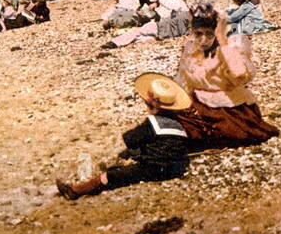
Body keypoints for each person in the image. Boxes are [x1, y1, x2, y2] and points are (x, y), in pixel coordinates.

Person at [57, 74, 194, 199]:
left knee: (111, 176)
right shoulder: (177, 123)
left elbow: (130, 139)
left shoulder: (152, 123)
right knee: (134, 154)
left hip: (156, 169)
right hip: (176, 166)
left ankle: (76, 191)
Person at [172, 1, 280, 146]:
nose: (203, 40)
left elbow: (240, 75)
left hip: (228, 110)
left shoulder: (228, 50)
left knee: (206, 135)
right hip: (199, 103)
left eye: (209, 34)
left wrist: (222, 41)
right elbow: (183, 79)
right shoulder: (191, 49)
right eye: (198, 34)